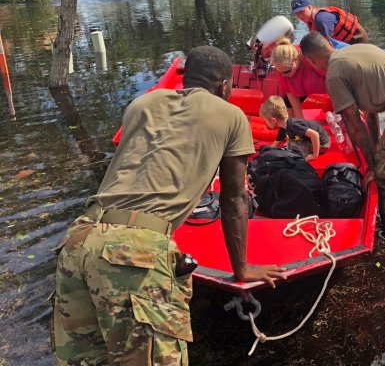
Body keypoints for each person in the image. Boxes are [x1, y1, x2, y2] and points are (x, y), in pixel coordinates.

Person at [52, 46, 287, 365]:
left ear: (186, 77)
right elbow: (234, 199)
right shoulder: (232, 116)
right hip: (134, 252)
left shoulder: (142, 104)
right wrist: (241, 269)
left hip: (79, 240)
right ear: (223, 86)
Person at [299, 31, 385, 236]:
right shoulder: (355, 50)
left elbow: (355, 125)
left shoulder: (334, 74)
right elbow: (371, 114)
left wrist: (373, 168)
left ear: (311, 60)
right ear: (328, 44)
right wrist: (377, 148)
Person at [271, 37, 328, 119]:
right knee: (287, 111)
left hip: (328, 82)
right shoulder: (282, 66)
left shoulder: (311, 58)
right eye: (279, 72)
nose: (283, 75)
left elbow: (335, 79)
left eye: (286, 71)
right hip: (301, 86)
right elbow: (289, 91)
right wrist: (300, 118)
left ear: (296, 60)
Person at [260, 95, 330, 160]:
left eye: (266, 120)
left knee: (294, 149)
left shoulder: (294, 125)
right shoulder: (284, 125)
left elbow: (315, 135)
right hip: (314, 139)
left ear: (273, 120)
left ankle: (308, 152)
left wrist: (314, 155)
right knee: (290, 144)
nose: (265, 122)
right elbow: (277, 141)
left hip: (322, 144)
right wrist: (269, 150)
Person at [291, 0, 369, 44]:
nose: (300, 16)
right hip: (346, 42)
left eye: (302, 11)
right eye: (297, 14)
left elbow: (325, 44)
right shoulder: (311, 20)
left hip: (357, 39)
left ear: (309, 7)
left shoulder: (320, 20)